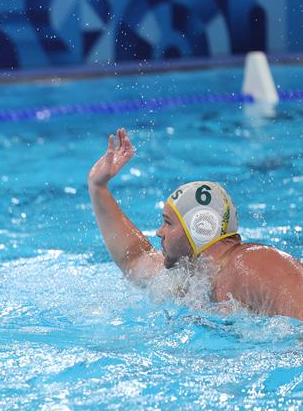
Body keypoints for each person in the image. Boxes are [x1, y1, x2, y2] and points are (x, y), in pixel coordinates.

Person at [87, 128, 303, 319]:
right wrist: (98, 187)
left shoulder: (253, 263)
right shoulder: (191, 275)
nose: (159, 232)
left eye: (168, 223)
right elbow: (134, 259)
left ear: (200, 228)